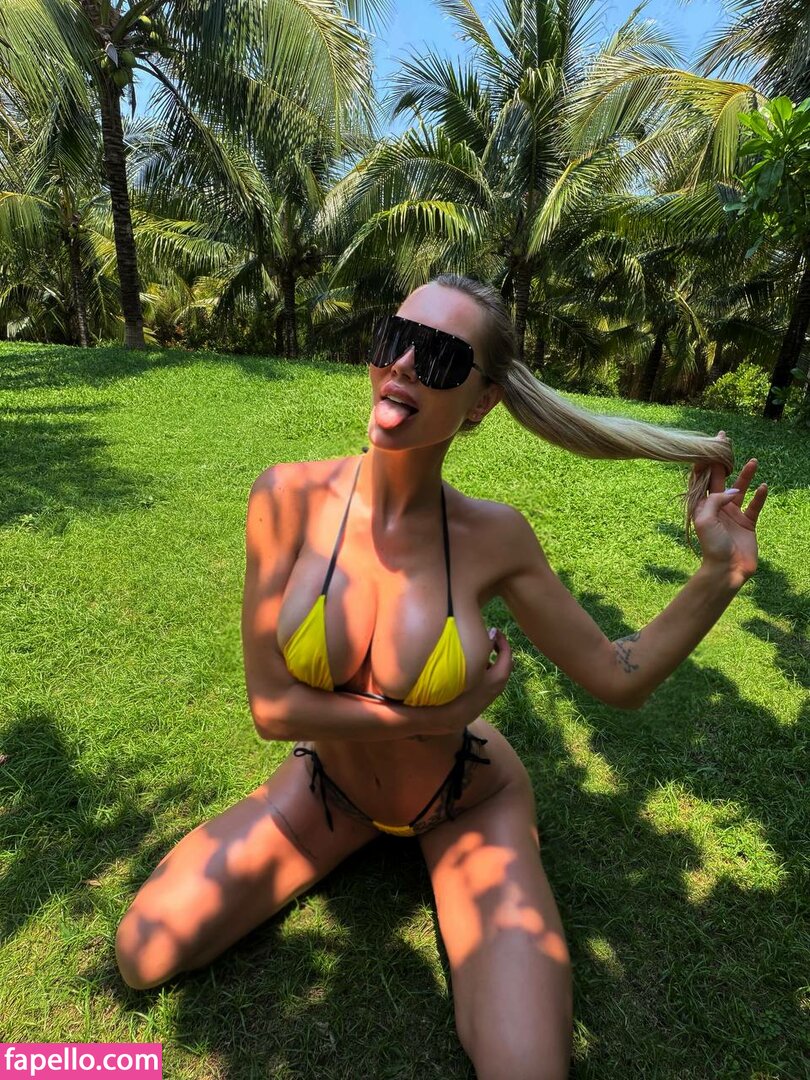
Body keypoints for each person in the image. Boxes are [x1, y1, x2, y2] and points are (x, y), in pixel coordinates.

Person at [115, 274, 767, 1079]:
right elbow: (273, 709)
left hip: (465, 798)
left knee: (528, 1071)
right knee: (143, 953)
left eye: (440, 356)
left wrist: (721, 574)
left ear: (483, 400)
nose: (403, 366)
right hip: (328, 791)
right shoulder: (287, 497)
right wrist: (428, 717)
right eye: (395, 340)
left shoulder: (495, 536)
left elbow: (618, 677)